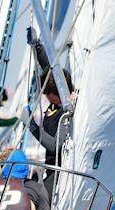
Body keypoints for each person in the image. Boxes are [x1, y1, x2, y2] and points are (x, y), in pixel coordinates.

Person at [23, 26, 74, 192]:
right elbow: (47, 66)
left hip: (60, 171)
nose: (44, 96)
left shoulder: (67, 112)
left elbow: (56, 146)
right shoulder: (57, 96)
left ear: (54, 93)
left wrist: (31, 127)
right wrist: (37, 45)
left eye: (47, 94)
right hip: (49, 166)